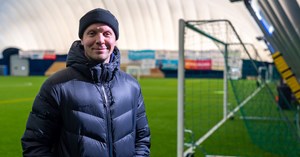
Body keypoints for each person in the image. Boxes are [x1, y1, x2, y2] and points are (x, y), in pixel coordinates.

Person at [21, 8, 151, 157]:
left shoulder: (131, 86)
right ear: (82, 40)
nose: (100, 40)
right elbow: (35, 144)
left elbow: (142, 139)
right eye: (92, 33)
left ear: (115, 39)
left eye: (107, 33)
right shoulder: (56, 86)